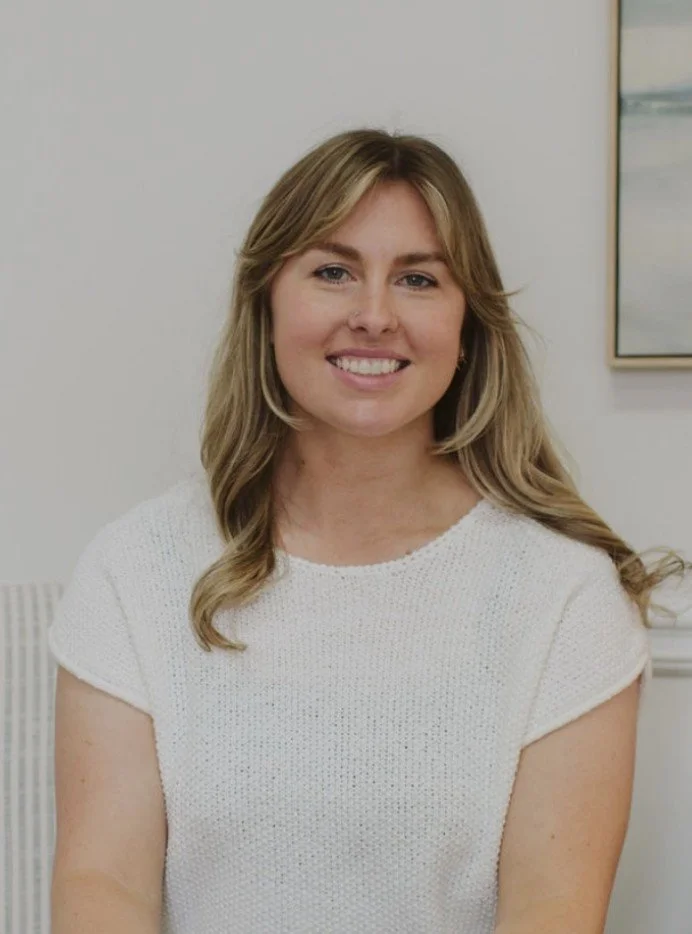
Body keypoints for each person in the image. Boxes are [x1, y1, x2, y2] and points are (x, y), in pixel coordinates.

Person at [48, 128, 690, 934]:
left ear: (467, 327)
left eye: (418, 279)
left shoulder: (563, 596)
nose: (375, 316)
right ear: (267, 302)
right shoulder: (134, 570)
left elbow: (553, 910)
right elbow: (103, 887)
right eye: (333, 272)